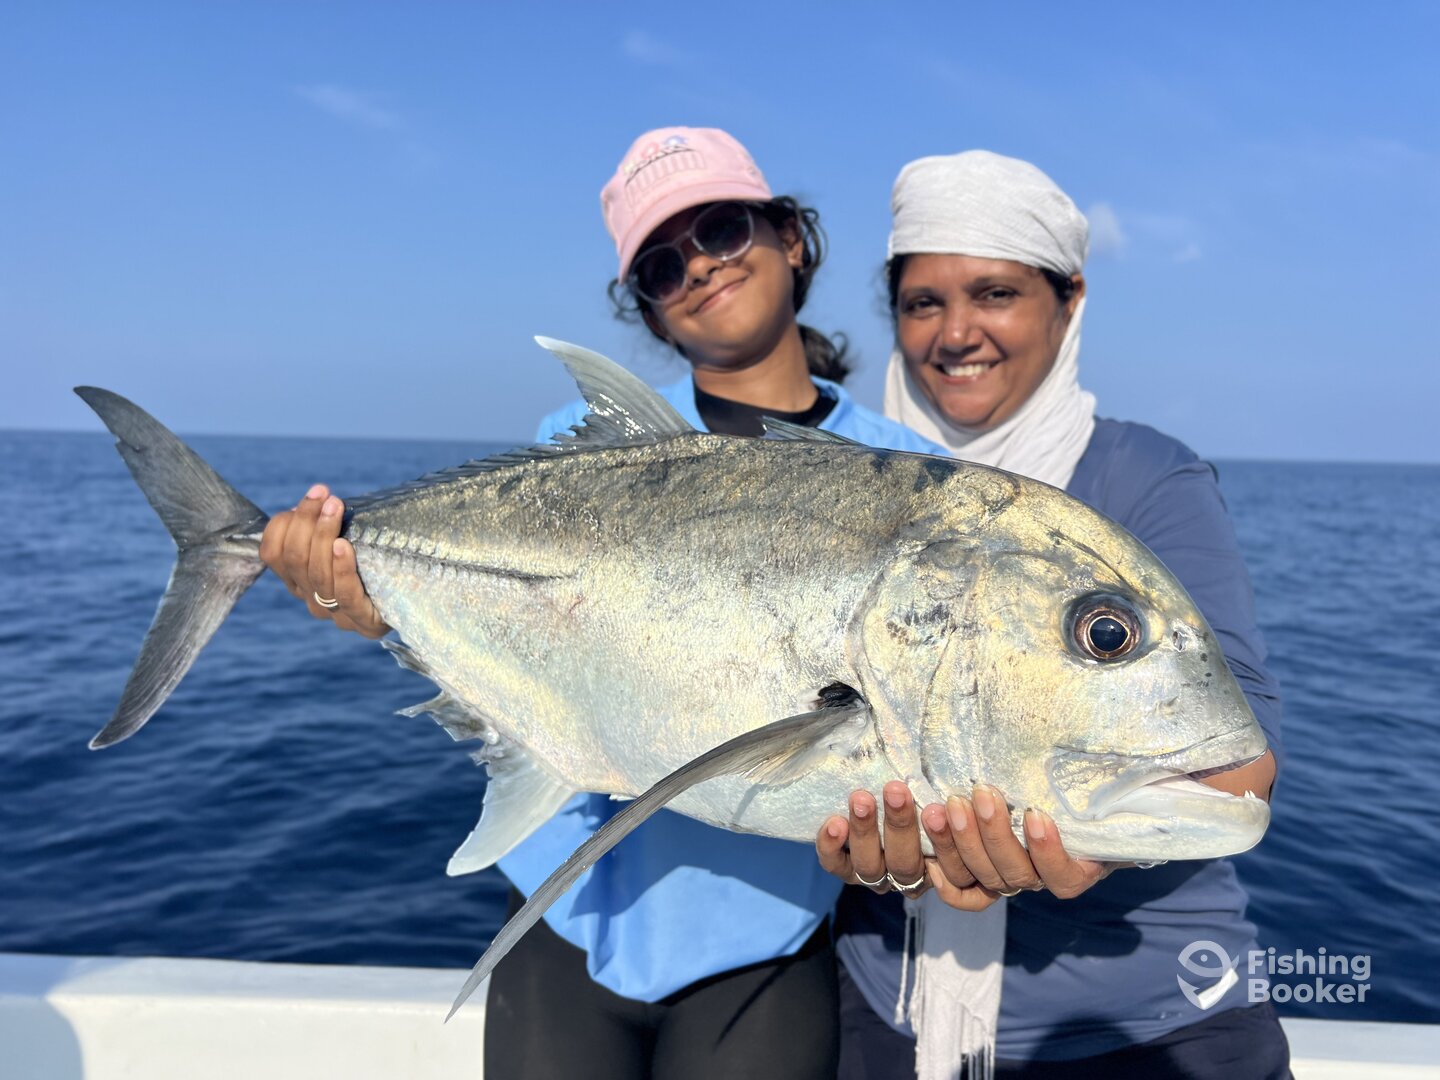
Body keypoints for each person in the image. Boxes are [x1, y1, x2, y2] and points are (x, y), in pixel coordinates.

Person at [259, 126, 945, 1079]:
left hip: (762, 935)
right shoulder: (584, 443)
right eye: (662, 265)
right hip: (564, 906)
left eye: (722, 228)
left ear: (791, 237)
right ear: (648, 308)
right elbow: (527, 641)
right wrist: (370, 604)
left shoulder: (909, 476)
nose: (699, 266)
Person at [813, 152, 1289, 1079]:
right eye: (922, 303)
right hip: (886, 1008)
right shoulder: (837, 480)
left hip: (1151, 1024)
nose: (956, 333)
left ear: (1069, 301)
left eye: (995, 294)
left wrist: (1092, 841)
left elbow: (1244, 765)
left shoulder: (1147, 478)